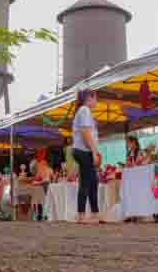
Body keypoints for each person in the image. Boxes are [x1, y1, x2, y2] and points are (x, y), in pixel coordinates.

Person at [72, 88, 101, 224]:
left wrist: (94, 151)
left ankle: (93, 214)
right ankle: (82, 215)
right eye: (95, 98)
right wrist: (94, 151)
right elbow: (85, 133)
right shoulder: (85, 110)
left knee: (92, 182)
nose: (96, 101)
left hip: (82, 150)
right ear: (89, 98)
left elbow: (86, 133)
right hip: (84, 151)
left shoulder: (83, 111)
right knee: (86, 183)